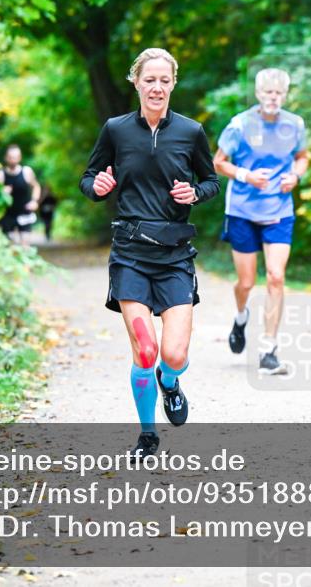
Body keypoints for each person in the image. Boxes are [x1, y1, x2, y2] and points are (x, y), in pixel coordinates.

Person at [79, 48, 219, 460]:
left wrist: (195, 192)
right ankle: (148, 435)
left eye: (164, 80)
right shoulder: (116, 129)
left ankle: (170, 382)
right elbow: (89, 177)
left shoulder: (191, 132)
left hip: (175, 255)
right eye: (149, 79)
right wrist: (97, 187)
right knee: (145, 349)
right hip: (130, 253)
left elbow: (211, 181)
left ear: (173, 83)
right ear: (136, 82)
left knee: (173, 356)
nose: (156, 87)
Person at [213, 68, 309, 375]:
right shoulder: (240, 125)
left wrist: (295, 175)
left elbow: (303, 156)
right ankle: (241, 317)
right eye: (268, 92)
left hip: (279, 210)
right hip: (242, 210)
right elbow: (218, 163)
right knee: (246, 283)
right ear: (258, 94)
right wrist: (247, 176)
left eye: (279, 93)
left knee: (276, 277)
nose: (273, 97)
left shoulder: (295, 124)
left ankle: (269, 348)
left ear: (285, 95)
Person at [0, 145, 40, 244]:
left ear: (20, 158)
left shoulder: (26, 172)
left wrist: (34, 201)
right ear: (6, 158)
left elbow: (36, 186)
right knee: (10, 246)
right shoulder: (0, 175)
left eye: (15, 157)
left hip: (24, 212)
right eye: (11, 157)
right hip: (7, 214)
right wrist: (1, 192)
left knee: (25, 246)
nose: (13, 160)